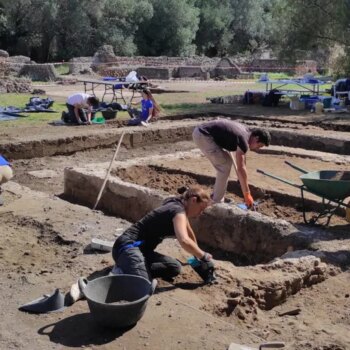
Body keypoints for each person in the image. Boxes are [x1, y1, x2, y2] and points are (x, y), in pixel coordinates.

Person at [111, 185, 213, 282]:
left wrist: (196, 254)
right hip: (127, 247)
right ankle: (123, 271)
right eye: (201, 209)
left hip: (142, 251)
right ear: (193, 200)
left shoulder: (178, 204)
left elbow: (188, 231)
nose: (200, 213)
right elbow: (184, 240)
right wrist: (203, 256)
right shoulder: (178, 211)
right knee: (143, 284)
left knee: (174, 267)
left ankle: (131, 267)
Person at [192, 119, 271, 207]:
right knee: (224, 166)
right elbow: (241, 168)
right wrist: (247, 193)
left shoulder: (246, 132)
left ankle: (217, 196)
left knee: (226, 162)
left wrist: (240, 177)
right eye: (259, 146)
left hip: (202, 131)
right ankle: (216, 201)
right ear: (256, 138)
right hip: (203, 135)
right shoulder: (244, 140)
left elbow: (242, 161)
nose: (257, 149)